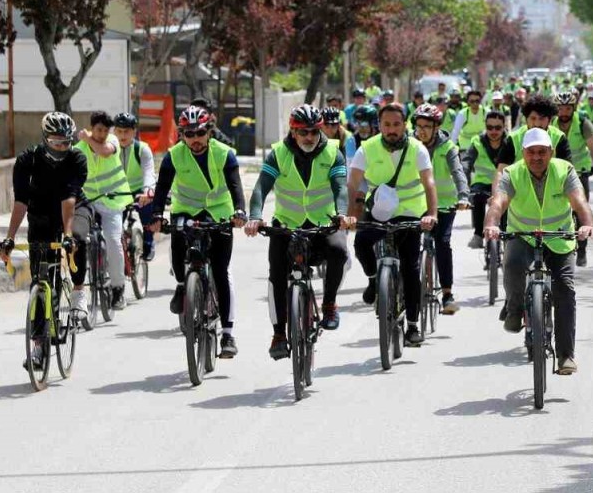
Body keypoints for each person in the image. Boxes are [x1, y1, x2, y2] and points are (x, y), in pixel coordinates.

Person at [483, 128, 593, 376]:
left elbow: (579, 201)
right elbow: (498, 202)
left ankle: (566, 355)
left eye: (542, 152)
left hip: (559, 237)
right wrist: (491, 224)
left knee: (565, 288)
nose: (536, 157)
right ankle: (514, 310)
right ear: (523, 153)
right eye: (531, 152)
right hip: (522, 235)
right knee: (512, 265)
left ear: (550, 152)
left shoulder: (564, 170)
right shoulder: (512, 173)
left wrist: (587, 223)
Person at [244, 105, 351, 359]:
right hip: (287, 226)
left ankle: (329, 305)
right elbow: (260, 189)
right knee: (277, 276)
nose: (309, 137)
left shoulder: (333, 152)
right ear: (293, 132)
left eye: (314, 132)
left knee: (339, 251)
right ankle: (279, 333)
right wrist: (256, 217)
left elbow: (340, 188)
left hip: (323, 223)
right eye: (303, 132)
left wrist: (342, 213)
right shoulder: (278, 154)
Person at [150, 106, 247, 358]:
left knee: (220, 270)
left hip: (219, 213)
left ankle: (227, 333)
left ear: (209, 131)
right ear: (181, 135)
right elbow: (161, 189)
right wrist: (158, 214)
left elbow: (236, 187)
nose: (195, 139)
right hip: (187, 210)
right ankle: (183, 285)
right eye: (188, 134)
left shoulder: (225, 154)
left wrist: (239, 212)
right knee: (177, 241)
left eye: (200, 133)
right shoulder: (174, 156)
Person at [0, 113, 90, 369]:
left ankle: (80, 291)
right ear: (45, 139)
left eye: (66, 142)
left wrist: (68, 236)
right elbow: (20, 201)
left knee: (79, 239)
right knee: (38, 282)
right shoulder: (27, 160)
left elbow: (69, 199)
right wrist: (9, 238)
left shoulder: (77, 158)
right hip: (41, 215)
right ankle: (38, 347)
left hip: (75, 208)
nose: (62, 147)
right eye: (56, 142)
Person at [343, 103, 439, 347]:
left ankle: (413, 325)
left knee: (410, 266)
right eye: (386, 124)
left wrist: (431, 214)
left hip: (410, 212)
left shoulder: (417, 149)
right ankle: (375, 279)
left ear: (404, 124)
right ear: (379, 125)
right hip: (379, 210)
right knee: (362, 243)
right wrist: (352, 214)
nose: (392, 129)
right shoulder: (367, 149)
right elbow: (354, 184)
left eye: (397, 124)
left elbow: (429, 184)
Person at [411, 104, 471, 314]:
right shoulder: (409, 144)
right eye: (418, 126)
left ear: (436, 127)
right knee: (407, 245)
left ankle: (447, 294)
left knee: (442, 243)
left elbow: (458, 172)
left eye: (427, 126)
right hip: (414, 204)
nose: (422, 131)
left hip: (445, 204)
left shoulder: (448, 148)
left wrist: (463, 195)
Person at [73, 112, 132, 309]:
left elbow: (104, 151)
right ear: (92, 127)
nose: (102, 134)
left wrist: (87, 137)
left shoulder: (112, 140)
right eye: (99, 130)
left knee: (114, 240)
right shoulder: (79, 149)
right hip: (88, 203)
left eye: (106, 130)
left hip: (112, 202)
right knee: (80, 239)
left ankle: (118, 288)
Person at [552, 91, 593, 267]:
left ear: (573, 108)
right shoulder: (550, 124)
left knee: (581, 208)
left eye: (567, 109)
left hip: (579, 172)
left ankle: (582, 249)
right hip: (556, 173)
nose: (564, 113)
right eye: (561, 109)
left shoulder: (582, 122)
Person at [462, 109, 512, 249]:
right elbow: (466, 162)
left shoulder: (510, 142)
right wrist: (463, 183)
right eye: (490, 127)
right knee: (477, 198)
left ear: (504, 128)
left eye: (498, 128)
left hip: (504, 183)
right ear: (485, 127)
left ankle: (506, 234)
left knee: (507, 202)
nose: (493, 131)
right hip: (482, 183)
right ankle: (478, 234)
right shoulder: (477, 141)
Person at [114, 112, 156, 260]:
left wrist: (148, 191)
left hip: (139, 191)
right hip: (118, 192)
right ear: (114, 132)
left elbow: (149, 172)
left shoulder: (142, 149)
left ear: (134, 131)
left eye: (126, 131)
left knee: (148, 211)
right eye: (119, 131)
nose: (122, 135)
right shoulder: (109, 149)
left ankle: (148, 242)